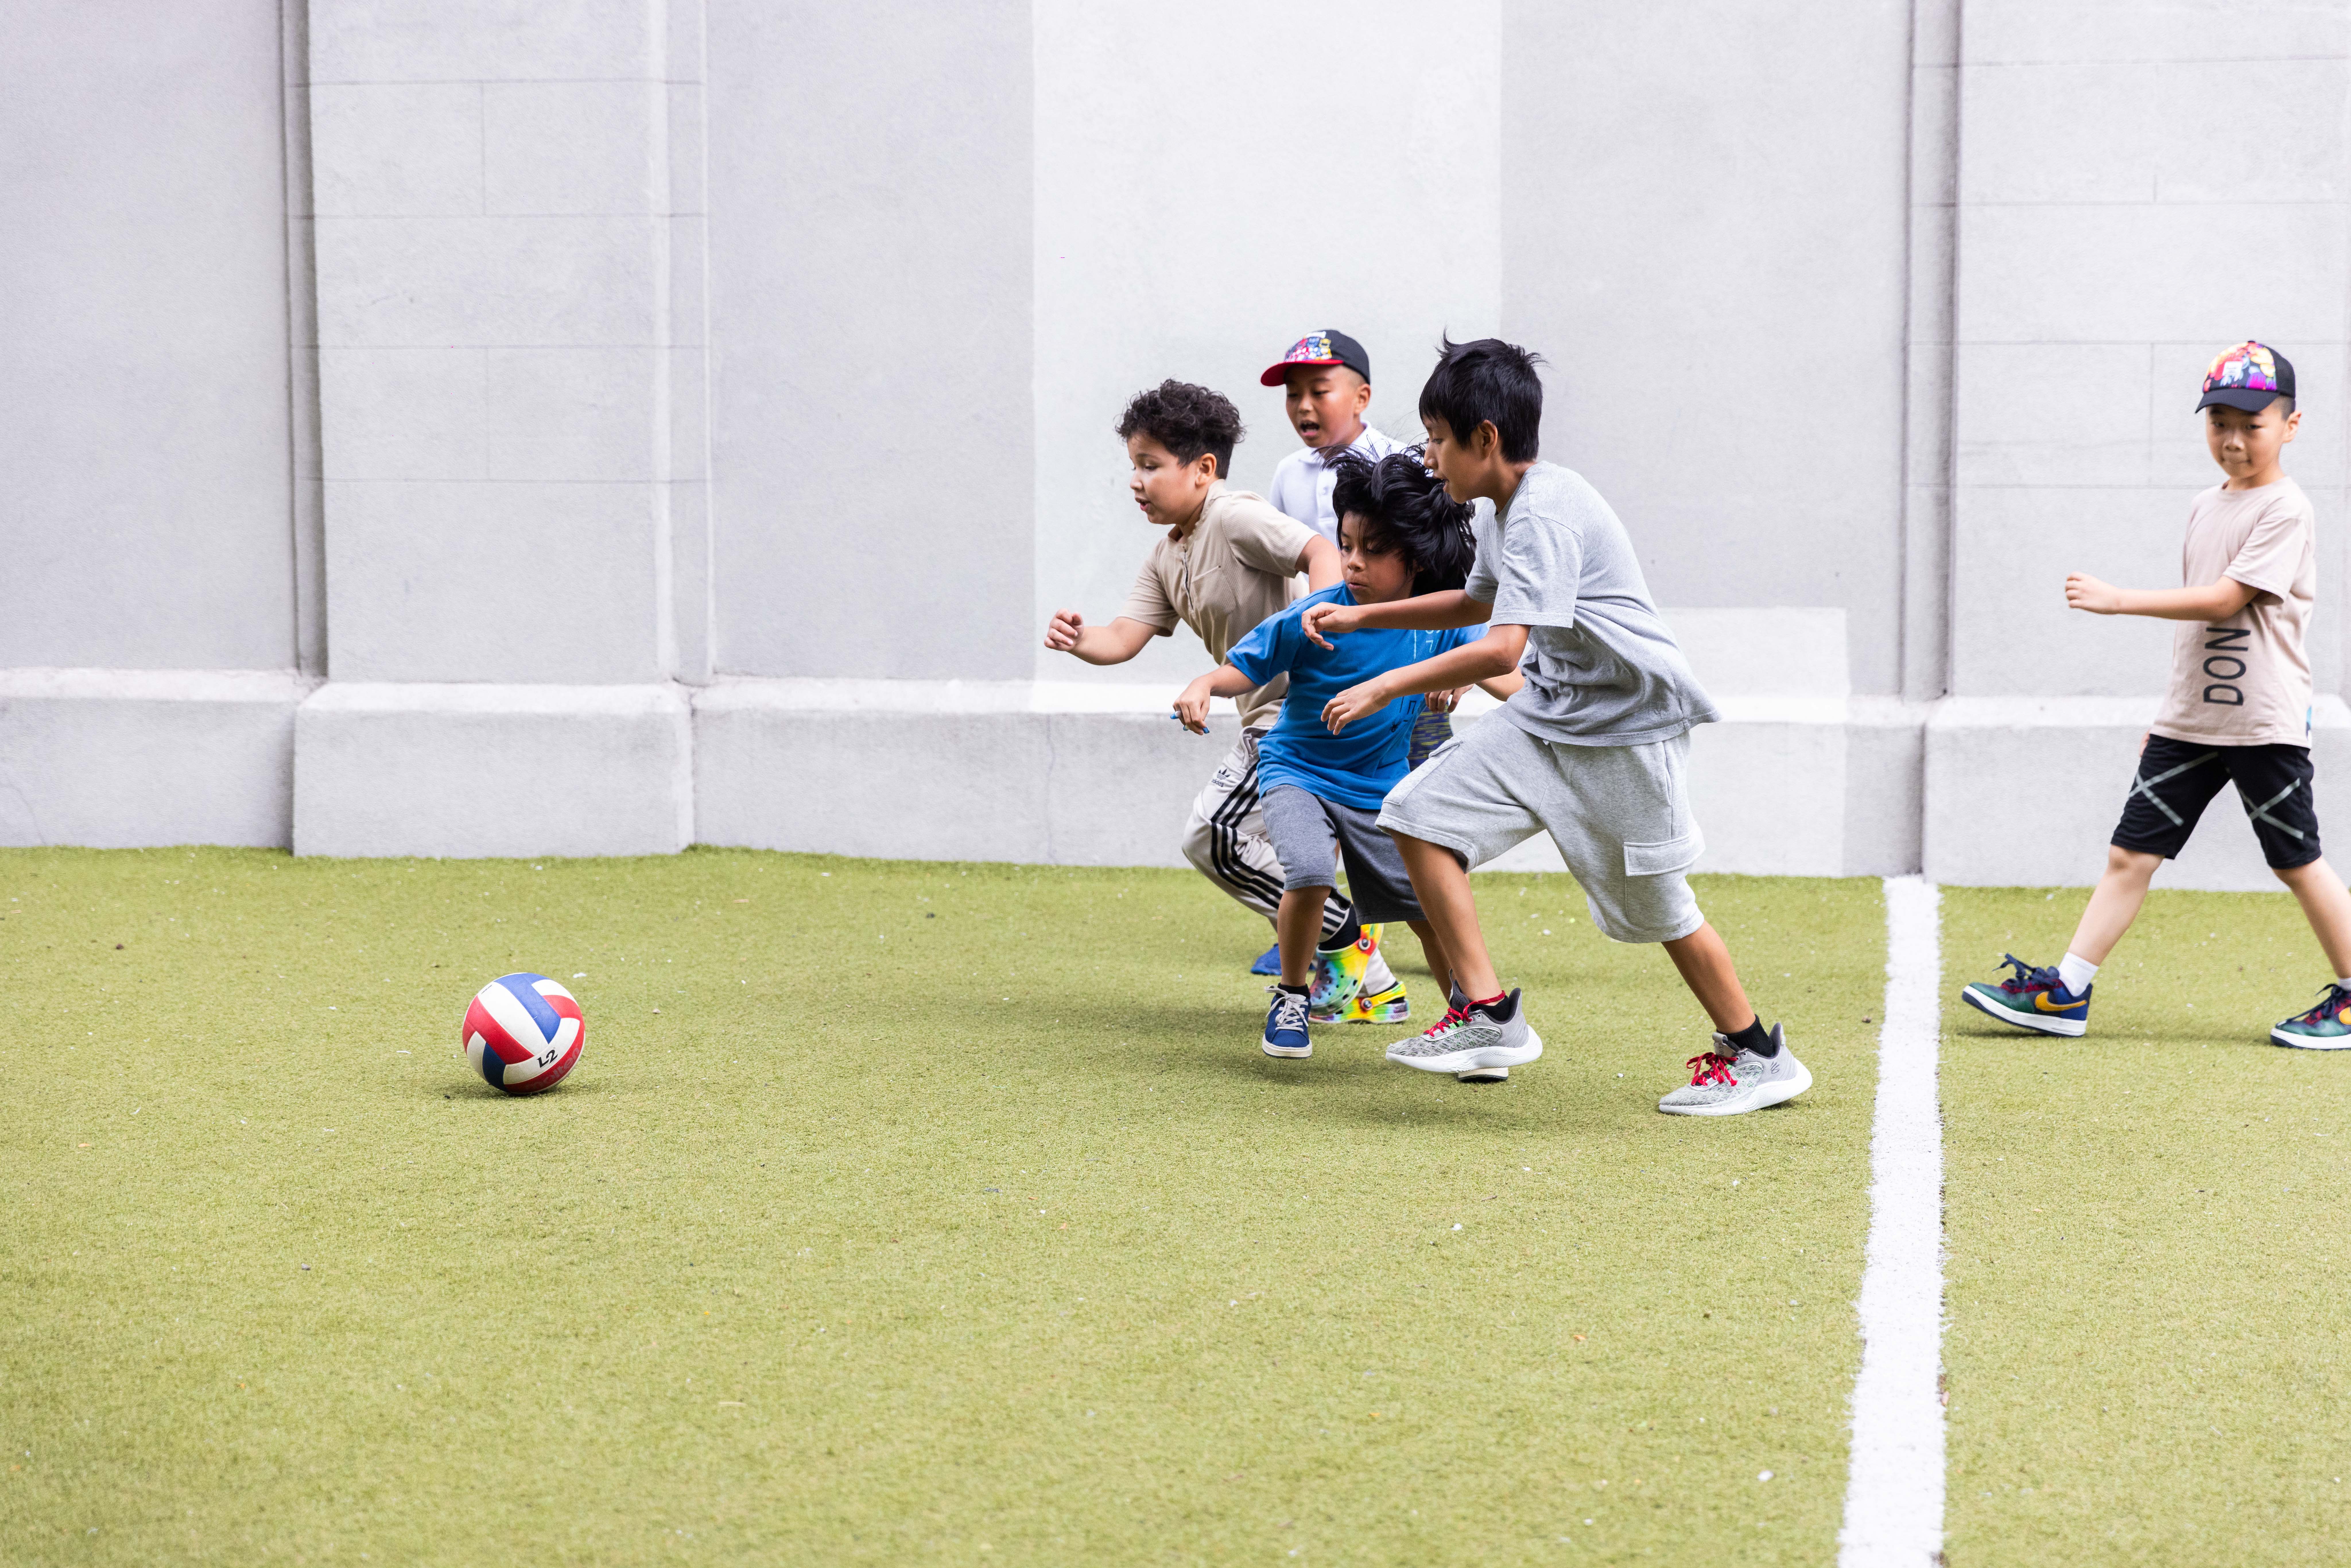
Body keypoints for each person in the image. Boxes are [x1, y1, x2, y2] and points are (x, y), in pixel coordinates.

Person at [1301, 337, 1809, 1115]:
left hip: (1626, 735)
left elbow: (1501, 646)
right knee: (1414, 814)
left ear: (1486, 440)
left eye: (1439, 439)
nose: (1429, 456)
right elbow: (1477, 605)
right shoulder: (1508, 511)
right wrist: (1366, 616)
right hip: (1548, 718)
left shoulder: (1547, 515)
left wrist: (1384, 684)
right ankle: (1488, 1013)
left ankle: (1758, 1054)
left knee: (1664, 910)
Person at [1960, 341, 2351, 1048]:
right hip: (2190, 723)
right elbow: (2198, 629)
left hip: (2262, 725)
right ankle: (2066, 992)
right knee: (2129, 854)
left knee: (2295, 861)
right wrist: (2168, 712)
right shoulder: (2206, 504)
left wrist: (2118, 601)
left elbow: (2228, 600)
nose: (2233, 440)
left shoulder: (2288, 509)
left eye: (2252, 424)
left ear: (2290, 426)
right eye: (2219, 422)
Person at [1041, 379, 1400, 1005]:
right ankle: (1368, 985)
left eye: (1150, 466)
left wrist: (1316, 620)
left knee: (1212, 835)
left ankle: (1342, 935)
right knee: (1262, 848)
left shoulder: (1234, 515)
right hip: (1264, 715)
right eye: (1133, 466)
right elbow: (1124, 636)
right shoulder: (1166, 556)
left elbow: (1319, 551)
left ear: (1204, 469)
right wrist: (1079, 640)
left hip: (1296, 713)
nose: (1136, 481)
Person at [1173, 450, 1517, 1076]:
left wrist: (1544, 706)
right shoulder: (1318, 614)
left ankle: (1470, 1025)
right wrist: (1204, 683)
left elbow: (1497, 664)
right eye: (1346, 543)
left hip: (1379, 787)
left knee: (1426, 910)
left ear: (1413, 555)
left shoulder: (1439, 618)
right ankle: (1291, 997)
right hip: (1296, 769)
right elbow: (1246, 664)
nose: (1353, 561)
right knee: (1305, 870)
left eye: (1372, 548)